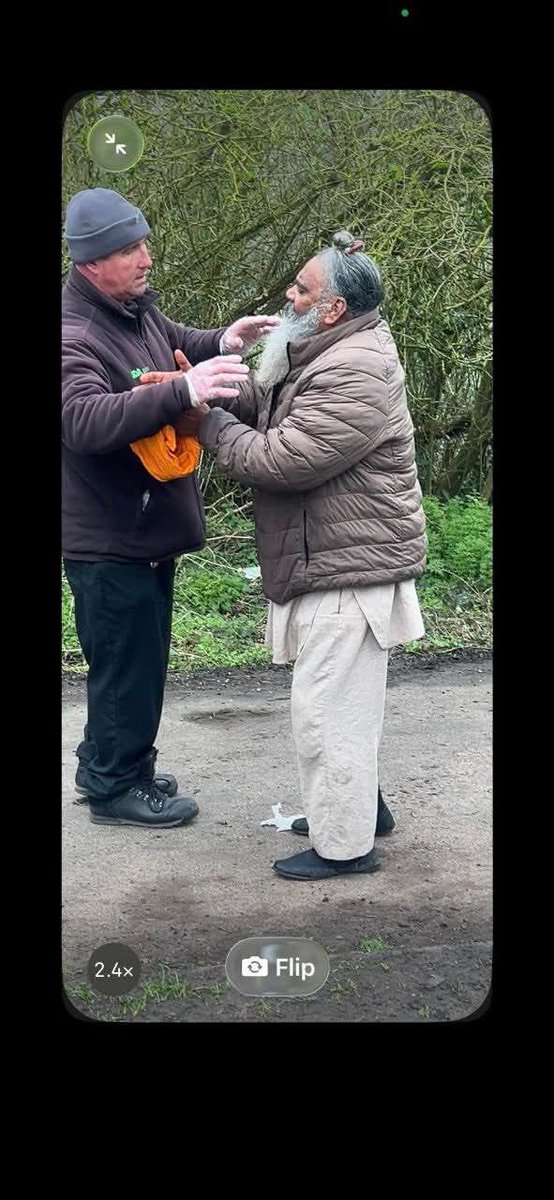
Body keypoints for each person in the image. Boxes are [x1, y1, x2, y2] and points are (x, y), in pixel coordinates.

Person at [141, 231, 427, 877]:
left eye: (302, 288)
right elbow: (273, 404)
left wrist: (204, 424)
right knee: (344, 704)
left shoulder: (357, 367)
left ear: (332, 308)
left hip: (352, 568)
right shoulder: (328, 347)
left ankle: (345, 847)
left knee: (327, 712)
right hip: (333, 556)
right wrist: (203, 388)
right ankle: (360, 809)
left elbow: (284, 458)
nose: (288, 294)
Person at [62, 187, 279, 828]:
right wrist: (185, 387)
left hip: (142, 530)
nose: (145, 257)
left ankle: (116, 762)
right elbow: (82, 419)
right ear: (90, 261)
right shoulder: (75, 334)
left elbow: (173, 341)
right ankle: (114, 790)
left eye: (144, 243)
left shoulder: (130, 312)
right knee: (125, 667)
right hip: (108, 537)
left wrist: (221, 341)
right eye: (129, 249)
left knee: (141, 658)